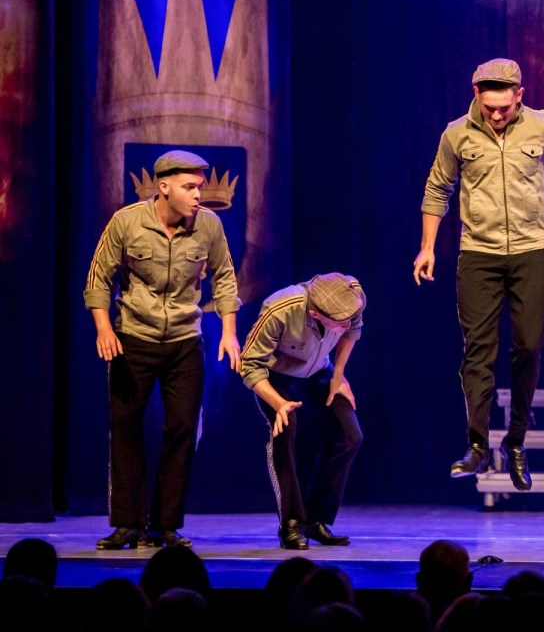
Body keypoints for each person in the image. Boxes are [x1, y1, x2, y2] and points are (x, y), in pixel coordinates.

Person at [414, 57, 544, 491]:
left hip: (531, 251)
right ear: (476, 95)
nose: (496, 115)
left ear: (519, 96)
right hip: (478, 254)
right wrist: (427, 247)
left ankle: (515, 441)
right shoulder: (456, 134)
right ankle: (477, 445)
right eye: (488, 107)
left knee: (528, 345)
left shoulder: (541, 125)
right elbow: (438, 187)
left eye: (504, 108)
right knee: (479, 349)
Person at [84, 149, 241, 550]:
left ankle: (165, 525)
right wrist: (104, 328)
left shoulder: (208, 226)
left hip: (185, 342)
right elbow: (100, 277)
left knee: (182, 430)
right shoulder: (127, 222)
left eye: (200, 187)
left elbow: (224, 276)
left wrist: (228, 331)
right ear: (164, 187)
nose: (197, 195)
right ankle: (128, 524)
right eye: (189, 187)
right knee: (126, 429)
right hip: (134, 337)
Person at [239, 273, 366, 549]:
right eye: (338, 321)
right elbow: (248, 364)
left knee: (350, 435)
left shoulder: (352, 293)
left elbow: (353, 330)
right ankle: (292, 524)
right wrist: (278, 402)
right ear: (314, 314)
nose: (346, 322)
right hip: (276, 376)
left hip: (318, 371)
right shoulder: (280, 309)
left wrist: (339, 375)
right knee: (285, 428)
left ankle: (315, 518)